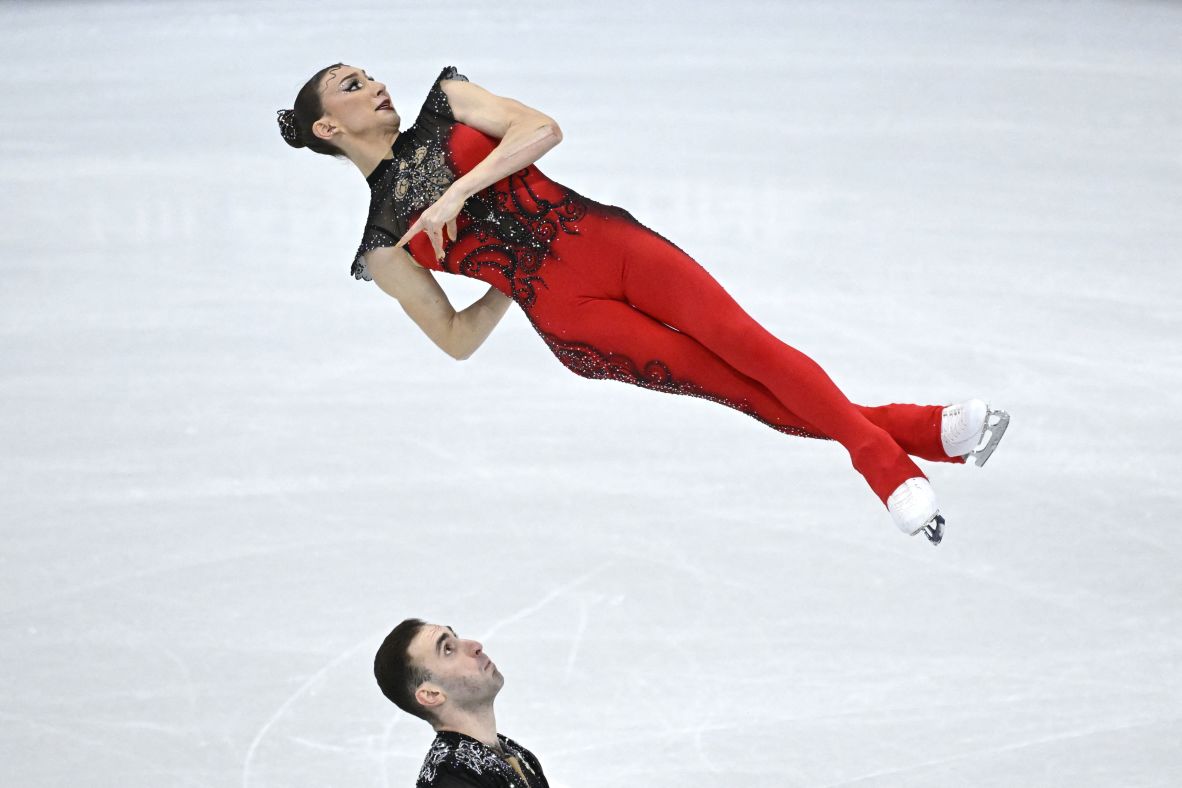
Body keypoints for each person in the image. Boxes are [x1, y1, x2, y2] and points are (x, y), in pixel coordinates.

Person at [276, 64, 1009, 543]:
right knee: (739, 388)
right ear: (326, 127)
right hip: (573, 319)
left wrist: (462, 194)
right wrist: (509, 277)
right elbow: (457, 338)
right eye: (350, 85)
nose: (374, 84)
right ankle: (918, 438)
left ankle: (892, 455)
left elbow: (542, 129)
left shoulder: (449, 103)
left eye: (368, 74)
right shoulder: (383, 247)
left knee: (749, 344)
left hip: (610, 241)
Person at [374, 619, 549, 788]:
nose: (475, 645)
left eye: (456, 637)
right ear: (431, 694)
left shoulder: (516, 754)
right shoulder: (451, 778)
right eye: (448, 649)